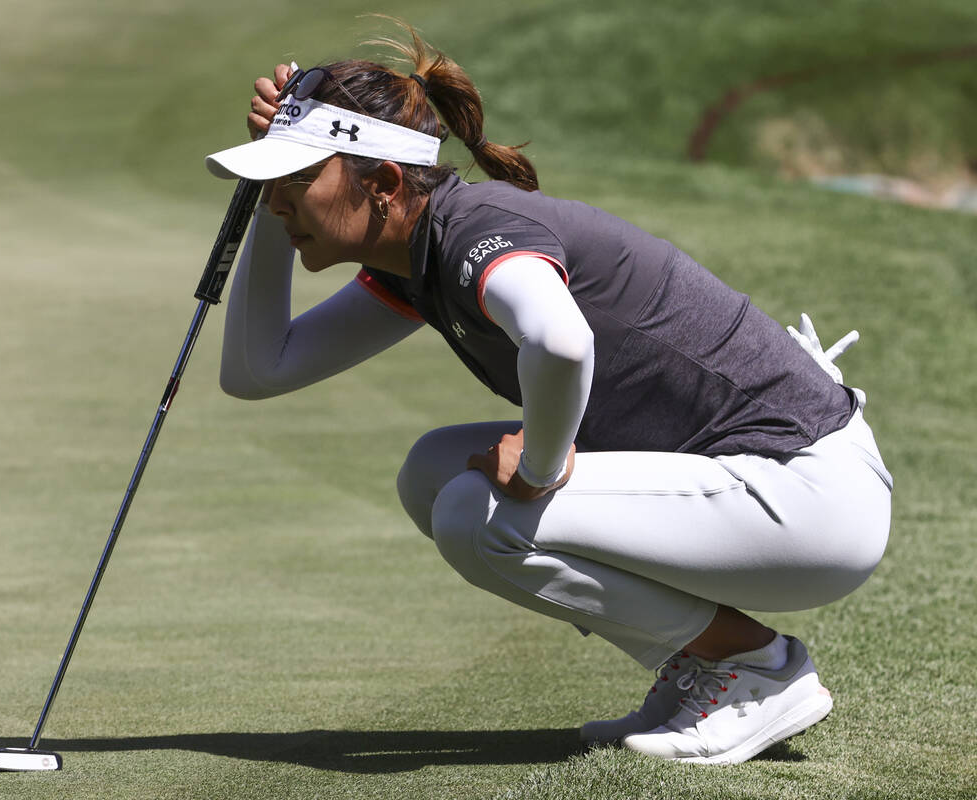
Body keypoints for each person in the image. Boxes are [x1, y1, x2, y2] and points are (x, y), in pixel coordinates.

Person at [203, 24, 892, 765]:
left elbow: (562, 341)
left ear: (384, 185)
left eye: (300, 181)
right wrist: (270, 186)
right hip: (767, 485)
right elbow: (260, 369)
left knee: (474, 511)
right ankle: (708, 665)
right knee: (433, 474)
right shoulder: (416, 255)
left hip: (808, 494)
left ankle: (756, 668)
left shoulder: (474, 231)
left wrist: (540, 465)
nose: (279, 202)